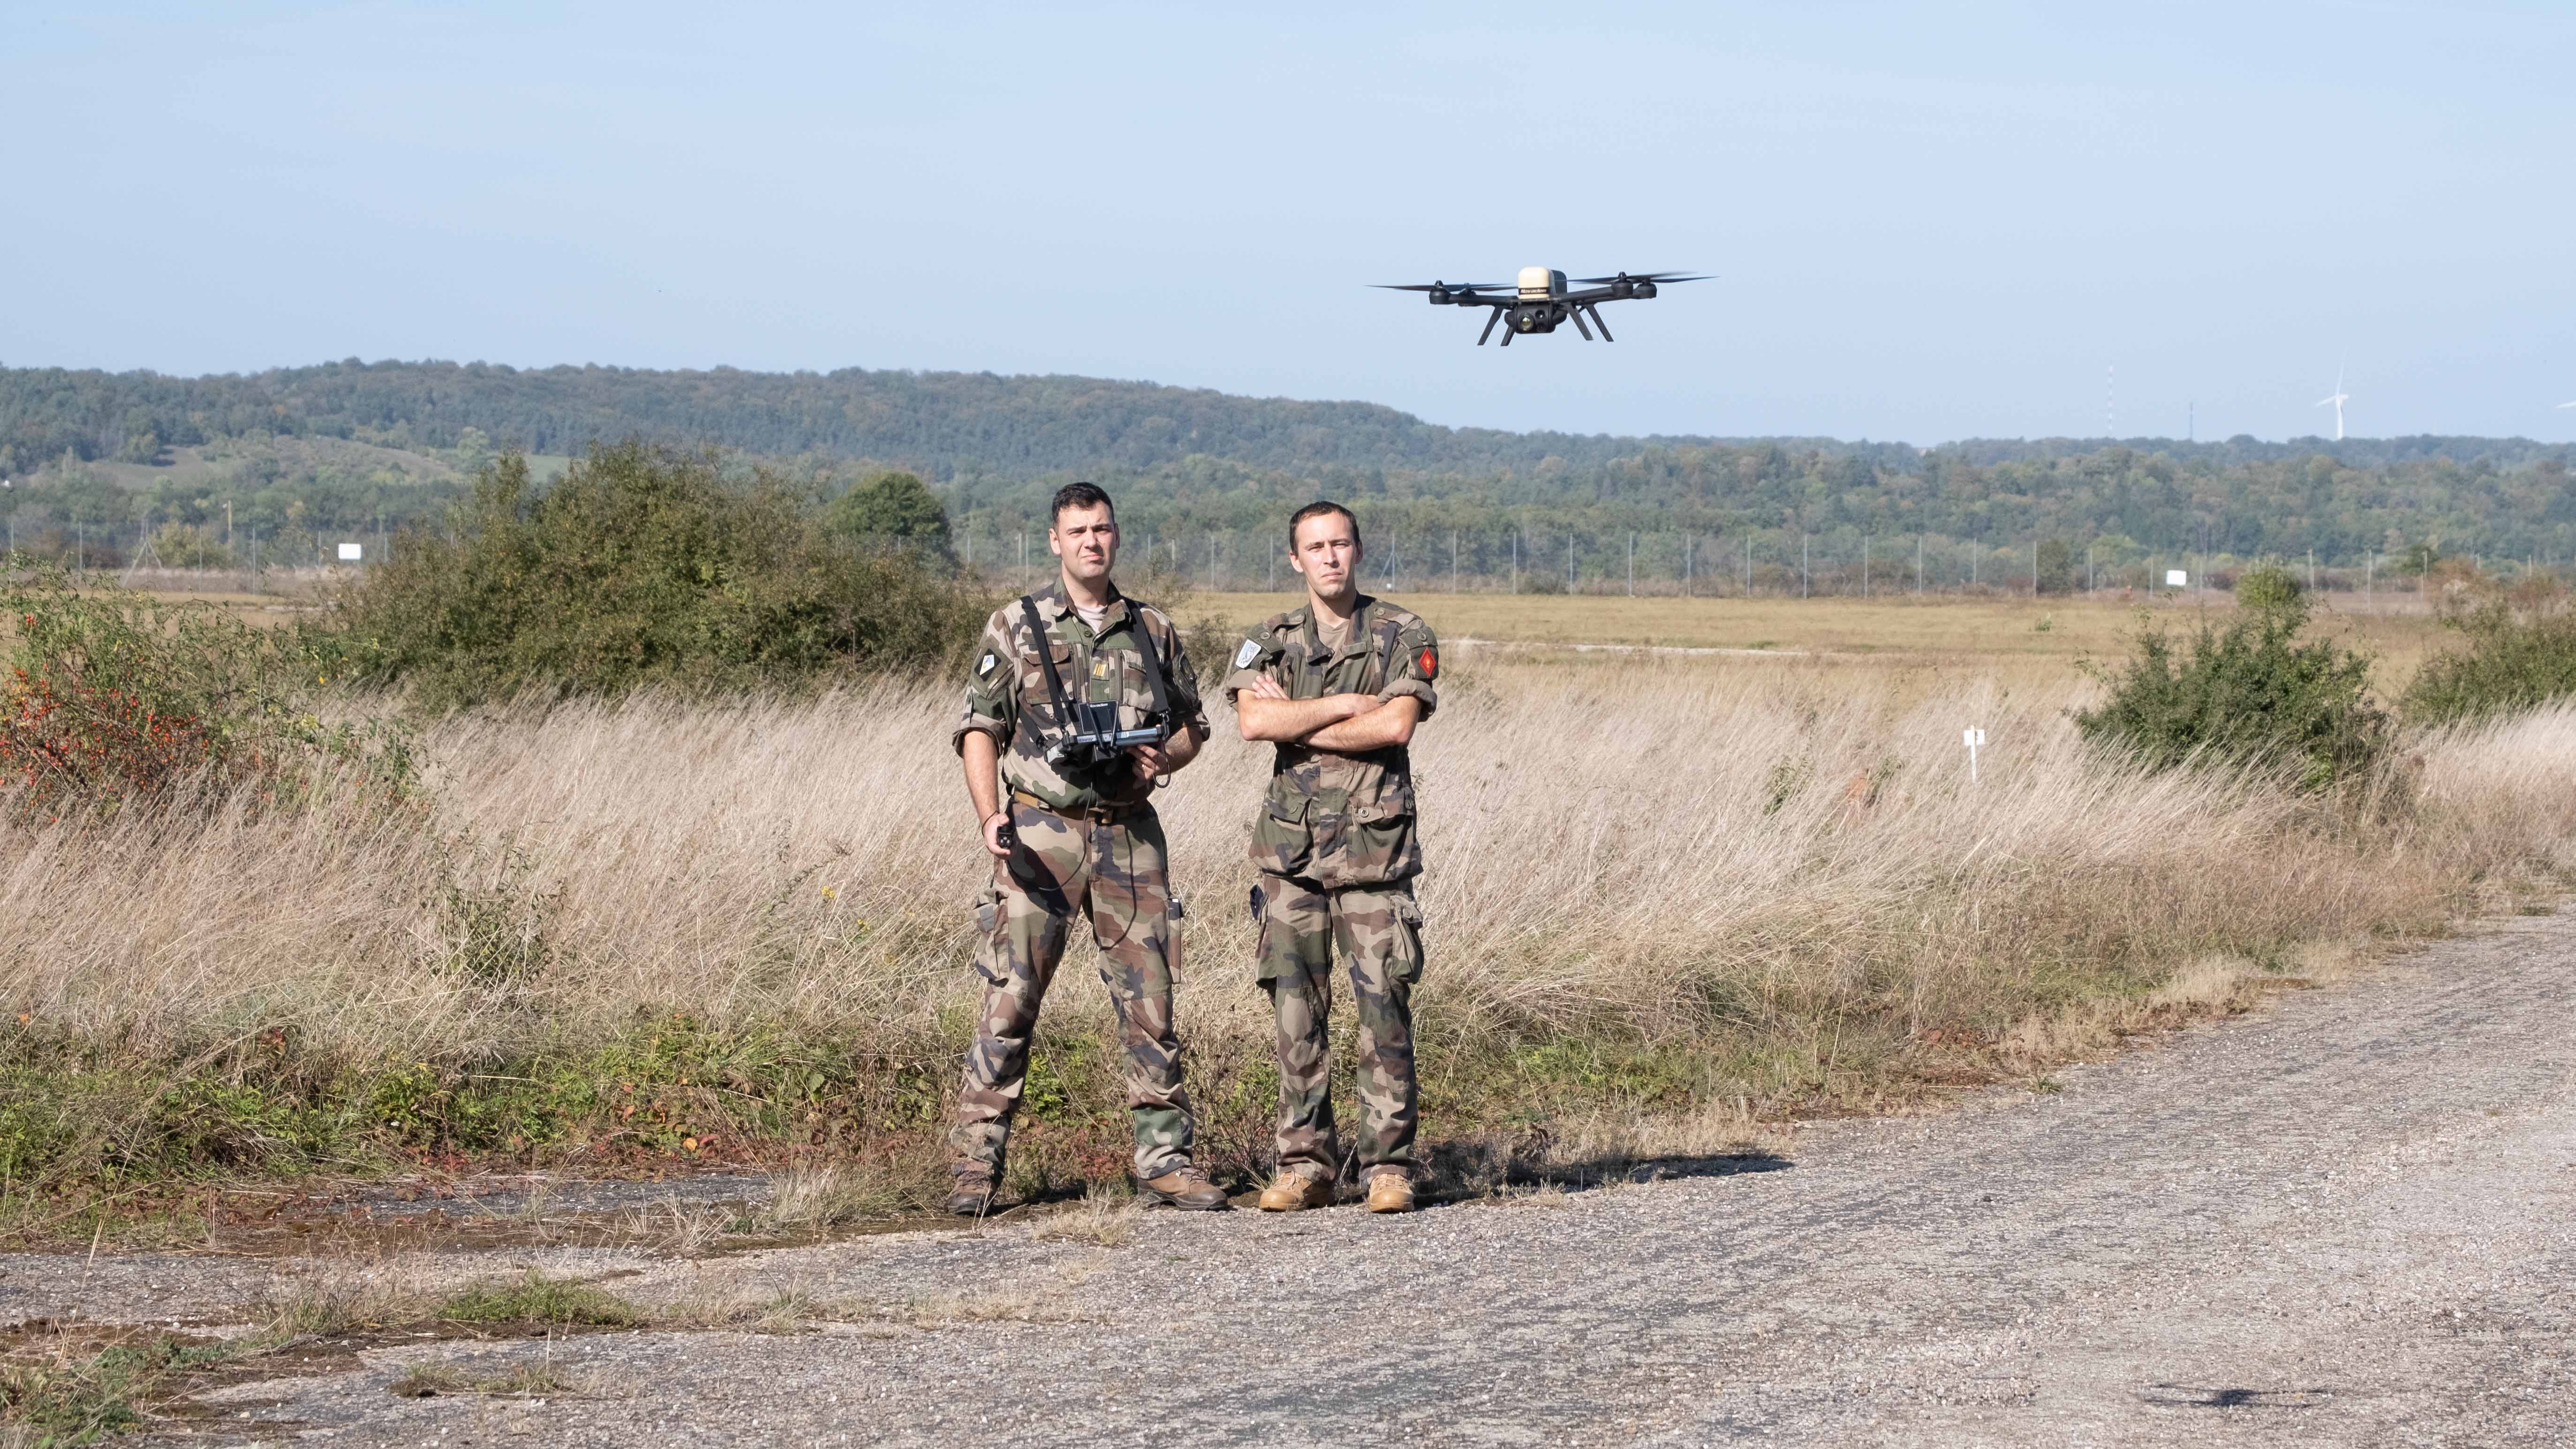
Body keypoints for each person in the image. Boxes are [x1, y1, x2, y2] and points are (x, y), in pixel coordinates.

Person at [947, 481, 1226, 1215]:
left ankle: (1164, 1159)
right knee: (1010, 997)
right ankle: (974, 1167)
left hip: (1129, 833)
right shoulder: (1016, 623)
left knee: (1152, 1003)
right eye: (1077, 531)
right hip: (1042, 827)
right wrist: (989, 818)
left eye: (1101, 529)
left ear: (1116, 535)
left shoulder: (1152, 629)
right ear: (1054, 540)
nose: (1091, 542)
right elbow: (979, 727)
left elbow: (1194, 725)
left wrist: (1164, 756)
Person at [1224, 500, 1440, 1215]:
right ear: (1295, 558)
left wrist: (1302, 724)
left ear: (1357, 550)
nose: (1329, 557)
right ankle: (1305, 1162)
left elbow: (1398, 724)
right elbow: (1254, 720)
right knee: (1294, 1012)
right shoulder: (1269, 639)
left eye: (1340, 543)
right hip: (1291, 856)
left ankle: (1388, 1165)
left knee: (1383, 1008)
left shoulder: (1402, 632)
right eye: (1314, 546)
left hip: (1374, 855)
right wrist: (1348, 703)